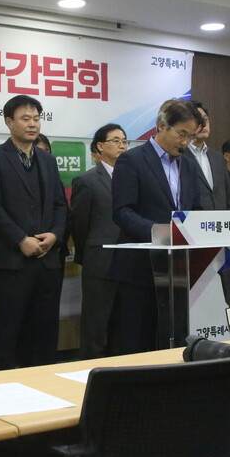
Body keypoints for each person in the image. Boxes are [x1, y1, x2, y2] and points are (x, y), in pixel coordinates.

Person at [0, 94, 67, 369]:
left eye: (36, 119)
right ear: (9, 122)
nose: (32, 124)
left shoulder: (47, 160)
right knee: (3, 336)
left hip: (46, 262)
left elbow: (60, 204)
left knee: (43, 336)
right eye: (25, 118)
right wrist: (20, 239)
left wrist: (55, 235)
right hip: (9, 263)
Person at [110, 100, 203, 353]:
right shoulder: (132, 160)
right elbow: (122, 212)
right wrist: (160, 232)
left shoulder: (189, 164)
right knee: (137, 340)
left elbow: (195, 209)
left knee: (174, 338)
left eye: (190, 137)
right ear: (161, 126)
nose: (185, 142)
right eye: (181, 134)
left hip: (179, 269)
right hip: (140, 268)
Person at [70, 123, 127, 358]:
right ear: (100, 146)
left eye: (124, 141)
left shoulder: (132, 178)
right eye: (116, 141)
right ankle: (89, 370)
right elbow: (79, 225)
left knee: (123, 327)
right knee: (95, 326)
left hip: (129, 262)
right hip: (100, 262)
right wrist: (88, 256)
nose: (122, 145)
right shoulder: (87, 180)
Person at [189, 103, 230, 212]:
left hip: (221, 220)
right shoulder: (179, 156)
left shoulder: (218, 157)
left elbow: (229, 198)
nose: (203, 124)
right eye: (197, 119)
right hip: (192, 220)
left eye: (205, 119)